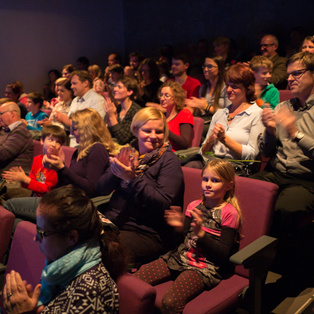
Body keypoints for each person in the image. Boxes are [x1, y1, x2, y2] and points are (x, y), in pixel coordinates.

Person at [134, 159, 241, 313]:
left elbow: (223, 254)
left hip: (204, 267)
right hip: (179, 257)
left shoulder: (229, 213)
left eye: (215, 180)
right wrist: (178, 228)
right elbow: (179, 242)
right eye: (205, 179)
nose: (208, 184)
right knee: (133, 281)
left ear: (229, 185)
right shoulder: (194, 205)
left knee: (170, 302)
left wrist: (201, 234)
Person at [3, 186, 123, 313]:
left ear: (71, 237)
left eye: (41, 232)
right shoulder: (62, 266)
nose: (35, 238)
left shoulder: (91, 294)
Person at [97, 107, 184, 266]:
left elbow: (165, 203)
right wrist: (116, 171)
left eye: (158, 131)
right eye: (147, 130)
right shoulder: (129, 152)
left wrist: (132, 179)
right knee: (75, 233)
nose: (153, 136)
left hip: (146, 232)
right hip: (115, 220)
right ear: (136, 130)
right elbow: (101, 189)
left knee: (99, 250)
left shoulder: (169, 160)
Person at [4, 108, 115, 222]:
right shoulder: (79, 151)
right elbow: (63, 184)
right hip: (62, 198)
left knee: (9, 206)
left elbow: (91, 187)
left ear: (87, 129)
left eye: (75, 129)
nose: (71, 133)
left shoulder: (97, 149)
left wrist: (62, 168)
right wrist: (58, 169)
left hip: (73, 205)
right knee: (14, 218)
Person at [251, 51, 314, 240]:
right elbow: (267, 152)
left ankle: (270, 259)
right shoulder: (282, 107)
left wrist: (295, 133)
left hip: (307, 180)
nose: (290, 79)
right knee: (243, 191)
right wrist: (269, 132)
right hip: (276, 173)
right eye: (288, 75)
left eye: (297, 73)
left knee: (282, 208)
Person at [185, 64, 264, 173]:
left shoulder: (256, 114)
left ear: (248, 88)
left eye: (234, 86)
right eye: (227, 85)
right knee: (189, 167)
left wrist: (223, 139)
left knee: (210, 172)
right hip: (212, 161)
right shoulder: (220, 114)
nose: (228, 89)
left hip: (235, 166)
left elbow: (252, 155)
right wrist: (210, 141)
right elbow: (203, 152)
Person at [2, 125, 66, 197]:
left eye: (58, 142)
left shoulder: (56, 164)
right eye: (51, 140)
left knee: (10, 203)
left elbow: (48, 190)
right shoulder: (37, 159)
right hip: (33, 194)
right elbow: (32, 182)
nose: (54, 144)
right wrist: (19, 178)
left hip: (46, 199)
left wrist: (25, 179)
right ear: (42, 141)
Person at [55, 71, 105, 147]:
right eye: (71, 84)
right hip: (73, 142)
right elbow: (71, 124)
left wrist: (66, 120)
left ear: (85, 83)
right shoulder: (75, 100)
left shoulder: (97, 100)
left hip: (89, 144)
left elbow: (95, 126)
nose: (71, 87)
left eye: (74, 83)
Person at [185, 56, 230, 137]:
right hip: (206, 120)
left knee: (197, 130)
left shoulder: (226, 87)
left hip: (220, 123)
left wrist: (206, 106)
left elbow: (228, 113)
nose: (205, 69)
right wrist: (196, 106)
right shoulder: (203, 88)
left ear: (219, 69)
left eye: (209, 66)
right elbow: (202, 112)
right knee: (186, 126)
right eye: (204, 66)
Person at [104, 76, 141, 145]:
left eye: (119, 87)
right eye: (115, 86)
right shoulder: (118, 108)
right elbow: (110, 135)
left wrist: (112, 117)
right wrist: (109, 118)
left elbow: (123, 139)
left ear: (129, 92)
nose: (115, 89)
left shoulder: (135, 111)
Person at [0, 102, 33, 176]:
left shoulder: (20, 132)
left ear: (12, 113)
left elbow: (2, 155)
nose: (0, 117)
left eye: (1, 113)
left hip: (11, 180)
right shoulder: (6, 130)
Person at [160, 81, 194, 151]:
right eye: (161, 95)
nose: (162, 99)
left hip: (175, 155)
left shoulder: (184, 114)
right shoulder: (161, 116)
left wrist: (165, 130)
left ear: (176, 98)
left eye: (166, 95)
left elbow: (184, 143)